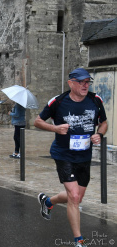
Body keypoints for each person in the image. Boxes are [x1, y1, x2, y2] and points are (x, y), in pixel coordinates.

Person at [34, 68, 108, 247]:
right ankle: (79, 241)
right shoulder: (58, 102)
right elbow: (37, 121)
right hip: (63, 154)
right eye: (81, 82)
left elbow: (103, 122)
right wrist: (56, 128)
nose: (85, 85)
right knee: (74, 196)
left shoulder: (95, 100)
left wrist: (100, 134)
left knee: (77, 197)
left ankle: (48, 201)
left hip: (84, 155)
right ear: (71, 83)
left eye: (87, 82)